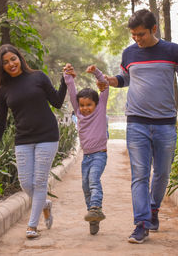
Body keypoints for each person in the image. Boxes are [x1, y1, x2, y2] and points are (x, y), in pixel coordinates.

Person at [98, 9, 178, 243]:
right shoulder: (129, 53)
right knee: (140, 175)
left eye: (141, 34)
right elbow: (124, 79)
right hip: (136, 123)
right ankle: (141, 223)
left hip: (165, 124)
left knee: (162, 174)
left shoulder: (173, 51)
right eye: (133, 35)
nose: (137, 39)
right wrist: (108, 81)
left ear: (154, 29)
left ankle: (153, 209)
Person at [0, 44, 67, 239]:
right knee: (25, 184)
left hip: (47, 136)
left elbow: (56, 101)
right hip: (23, 140)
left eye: (13, 59)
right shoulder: (3, 90)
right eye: (5, 62)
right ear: (1, 66)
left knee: (39, 182)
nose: (11, 64)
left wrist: (65, 80)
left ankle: (32, 226)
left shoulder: (38, 77)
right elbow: (0, 123)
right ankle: (45, 204)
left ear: (20, 58)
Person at [63, 63, 109, 235]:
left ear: (97, 104)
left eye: (89, 104)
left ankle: (96, 207)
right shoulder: (79, 114)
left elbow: (105, 87)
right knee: (85, 186)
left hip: (99, 155)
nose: (84, 108)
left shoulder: (101, 109)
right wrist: (68, 75)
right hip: (87, 157)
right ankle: (93, 216)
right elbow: (72, 92)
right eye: (82, 105)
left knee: (93, 180)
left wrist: (96, 72)